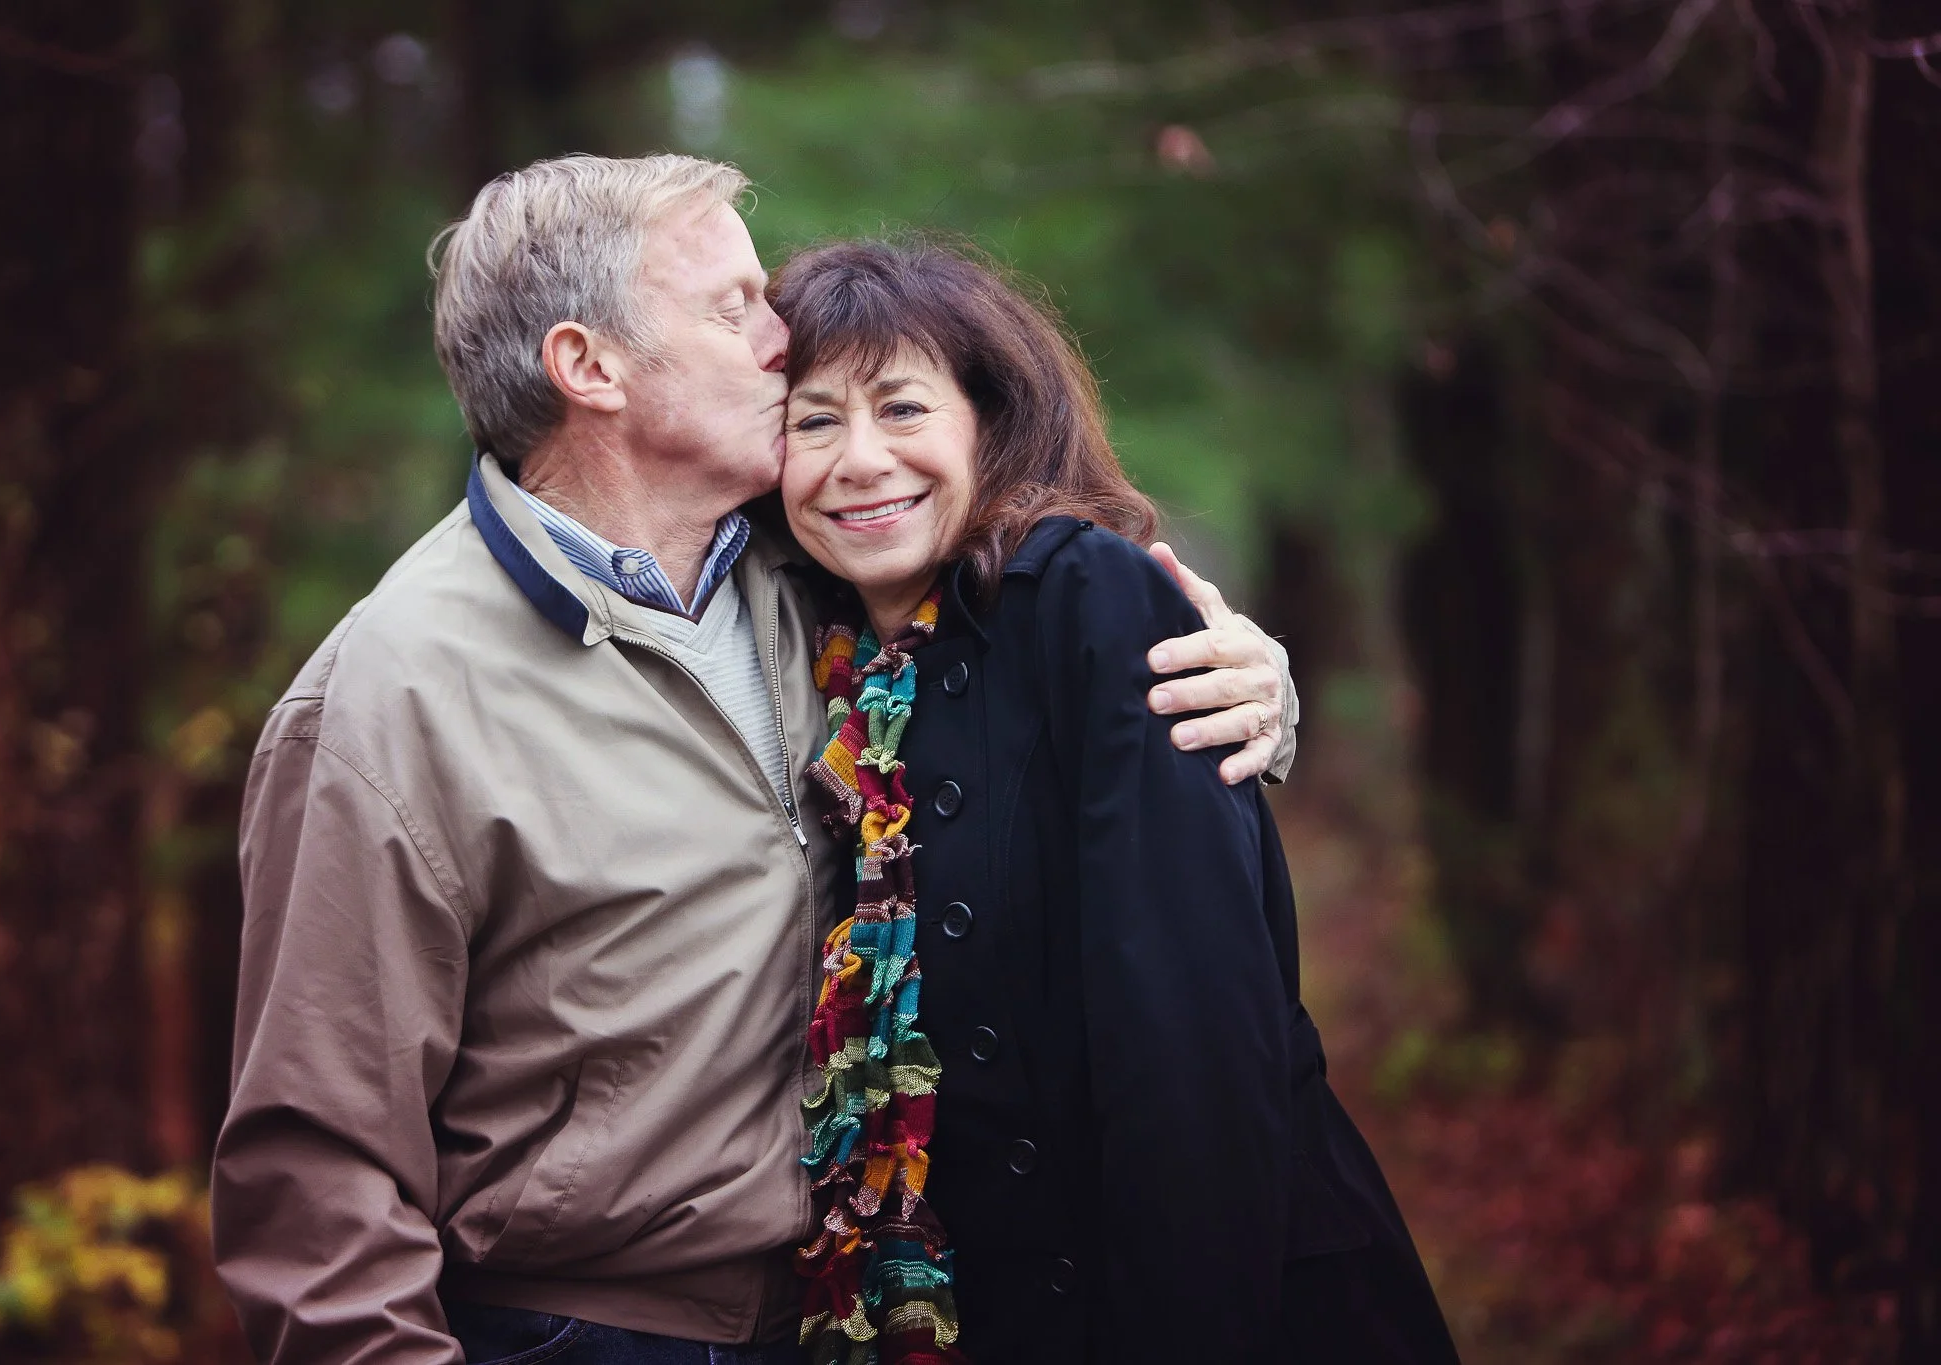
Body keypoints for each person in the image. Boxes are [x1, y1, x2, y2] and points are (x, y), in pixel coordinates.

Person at [211, 154, 1298, 1365]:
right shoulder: (392, 694)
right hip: (583, 1335)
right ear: (589, 367)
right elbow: (317, 1176)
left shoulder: (818, 580)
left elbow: (1049, 717)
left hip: (871, 1311)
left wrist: (1245, 682)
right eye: (730, 306)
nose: (780, 334)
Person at [769, 239, 1459, 1365]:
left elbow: (1194, 1043)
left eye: (901, 409)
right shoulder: (828, 666)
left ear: (988, 422)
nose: (857, 461)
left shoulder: (1079, 595)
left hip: (1198, 1297)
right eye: (811, 422)